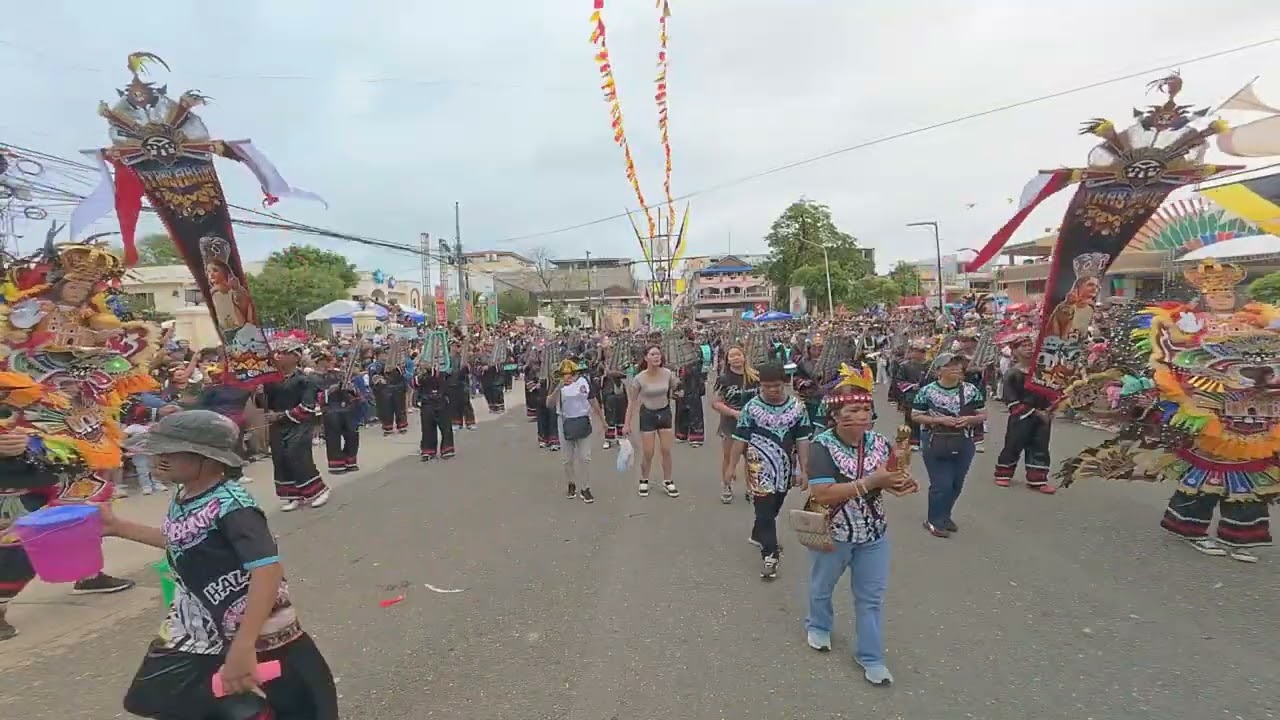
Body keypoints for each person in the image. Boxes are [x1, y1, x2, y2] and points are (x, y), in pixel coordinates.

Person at [111, 410, 339, 720]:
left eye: (169, 453)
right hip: (198, 629)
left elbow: (267, 569)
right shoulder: (186, 494)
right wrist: (115, 526)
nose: (156, 460)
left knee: (302, 707)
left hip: (255, 632)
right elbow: (181, 539)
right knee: (152, 698)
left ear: (208, 458)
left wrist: (244, 645)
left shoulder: (235, 507)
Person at [804, 363, 911, 686]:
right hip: (835, 531)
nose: (862, 416)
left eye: (866, 409)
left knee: (871, 598)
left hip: (874, 533)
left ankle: (871, 656)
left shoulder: (879, 442)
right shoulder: (822, 445)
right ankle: (819, 625)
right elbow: (822, 492)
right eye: (854, 409)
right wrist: (870, 481)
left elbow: (890, 479)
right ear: (836, 416)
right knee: (822, 587)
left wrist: (900, 483)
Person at [725, 362, 812, 579]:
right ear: (760, 386)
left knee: (773, 507)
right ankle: (770, 554)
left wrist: (804, 469)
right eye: (767, 386)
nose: (772, 390)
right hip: (758, 467)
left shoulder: (797, 408)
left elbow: (802, 440)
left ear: (785, 383)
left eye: (776, 385)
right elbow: (739, 440)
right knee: (764, 508)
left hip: (785, 467)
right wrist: (731, 467)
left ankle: (758, 534)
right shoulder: (751, 408)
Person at [912, 353, 986, 538]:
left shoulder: (970, 390)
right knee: (941, 484)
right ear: (939, 371)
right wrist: (940, 420)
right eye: (949, 365)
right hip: (935, 440)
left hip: (964, 440)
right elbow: (915, 415)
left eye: (958, 365)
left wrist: (970, 419)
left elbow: (983, 413)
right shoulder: (927, 391)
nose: (956, 368)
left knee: (956, 484)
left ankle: (944, 515)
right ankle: (934, 520)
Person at [261, 343, 332, 511]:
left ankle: (319, 490)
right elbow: (265, 404)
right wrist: (258, 392)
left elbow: (307, 406)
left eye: (284, 353)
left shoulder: (305, 380)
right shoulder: (272, 381)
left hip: (299, 424)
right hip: (278, 425)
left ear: (295, 357)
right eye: (278, 353)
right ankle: (294, 494)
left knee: (297, 455)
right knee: (280, 458)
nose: (279, 356)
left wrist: (280, 415)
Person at [995, 335, 1057, 494]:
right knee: (1013, 444)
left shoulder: (1042, 372)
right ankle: (1004, 472)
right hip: (1021, 416)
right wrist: (1034, 412)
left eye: (1031, 345)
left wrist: (1051, 408)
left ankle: (1038, 479)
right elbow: (1010, 399)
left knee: (1040, 446)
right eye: (1023, 346)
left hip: (1043, 416)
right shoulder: (1012, 373)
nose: (1029, 349)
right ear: (1014, 351)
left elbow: (1050, 391)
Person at [622, 345, 680, 498]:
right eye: (653, 354)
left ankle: (668, 480)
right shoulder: (639, 378)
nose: (656, 357)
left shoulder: (667, 374)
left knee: (666, 450)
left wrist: (681, 381)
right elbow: (632, 402)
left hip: (664, 412)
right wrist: (627, 423)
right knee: (648, 452)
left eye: (658, 354)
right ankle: (644, 479)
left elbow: (677, 389)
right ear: (646, 357)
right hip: (648, 414)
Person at [546, 358, 606, 504]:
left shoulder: (584, 382)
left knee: (585, 457)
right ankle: (571, 483)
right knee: (567, 458)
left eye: (571, 373)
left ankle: (585, 488)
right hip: (565, 421)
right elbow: (549, 403)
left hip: (583, 420)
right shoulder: (558, 383)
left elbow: (592, 400)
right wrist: (559, 387)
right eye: (564, 373)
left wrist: (603, 420)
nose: (568, 376)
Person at [712, 345, 759, 504]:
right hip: (731, 423)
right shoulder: (724, 379)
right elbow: (716, 403)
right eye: (732, 356)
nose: (736, 358)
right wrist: (734, 413)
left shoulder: (755, 377)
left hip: (753, 423)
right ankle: (727, 485)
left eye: (738, 354)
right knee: (729, 456)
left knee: (750, 457)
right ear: (727, 360)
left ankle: (750, 488)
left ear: (744, 356)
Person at [316, 353, 361, 473]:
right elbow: (314, 396)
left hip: (346, 407)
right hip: (330, 409)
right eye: (327, 360)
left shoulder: (340, 374)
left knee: (352, 434)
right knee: (333, 438)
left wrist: (352, 388)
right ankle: (336, 464)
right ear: (319, 361)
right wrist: (329, 391)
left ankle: (350, 460)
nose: (331, 362)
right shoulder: (313, 378)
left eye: (331, 359)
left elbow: (355, 392)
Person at [413, 363, 455, 461]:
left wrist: (436, 372)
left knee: (445, 426)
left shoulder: (443, 371)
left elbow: (448, 380)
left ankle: (447, 448)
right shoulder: (420, 374)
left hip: (441, 402)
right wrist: (422, 374)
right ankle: (428, 450)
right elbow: (413, 383)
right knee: (427, 428)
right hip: (427, 403)